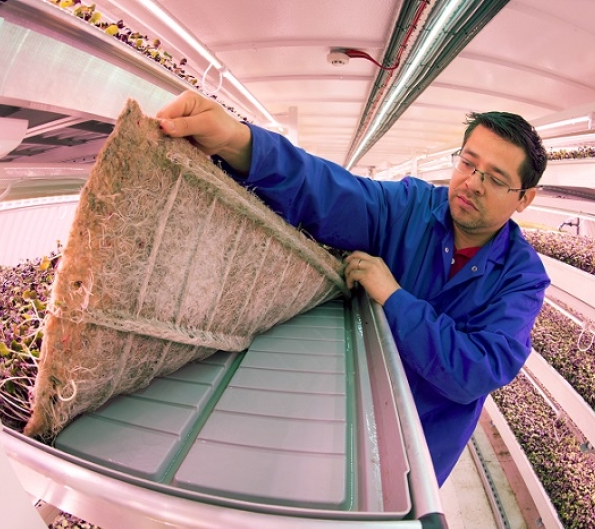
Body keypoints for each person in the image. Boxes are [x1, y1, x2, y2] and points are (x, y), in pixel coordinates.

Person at [156, 91, 550, 487]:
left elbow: (478, 369)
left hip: (417, 452)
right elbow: (332, 191)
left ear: (525, 199)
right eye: (467, 163)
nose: (473, 183)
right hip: (344, 413)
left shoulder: (522, 278)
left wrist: (394, 298)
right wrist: (240, 143)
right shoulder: (410, 207)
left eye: (496, 179)